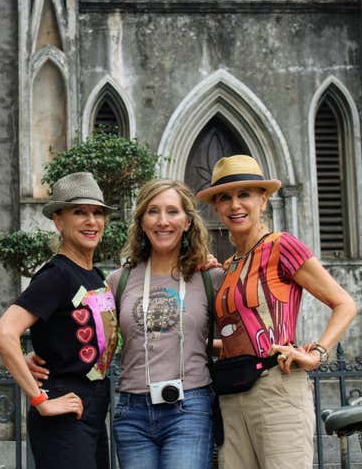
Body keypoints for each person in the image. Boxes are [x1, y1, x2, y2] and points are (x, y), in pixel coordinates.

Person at [28, 179, 223, 469]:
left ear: (187, 222)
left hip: (189, 408)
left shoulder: (211, 277)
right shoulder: (118, 282)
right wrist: (32, 356)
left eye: (172, 212)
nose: (162, 221)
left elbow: (234, 336)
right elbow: (82, 333)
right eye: (153, 212)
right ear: (142, 221)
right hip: (133, 413)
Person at [196, 155, 357, 469]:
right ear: (216, 207)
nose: (235, 205)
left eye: (244, 194)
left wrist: (318, 353)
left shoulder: (282, 246)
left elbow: (344, 304)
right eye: (224, 198)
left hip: (276, 386)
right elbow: (233, 339)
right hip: (232, 395)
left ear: (263, 200)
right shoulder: (227, 267)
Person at [0, 172, 119, 469]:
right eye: (79, 212)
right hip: (64, 414)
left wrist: (36, 354)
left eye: (97, 213)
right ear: (59, 221)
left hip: (94, 410)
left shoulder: (94, 275)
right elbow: (3, 334)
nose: (92, 221)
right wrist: (40, 401)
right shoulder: (56, 275)